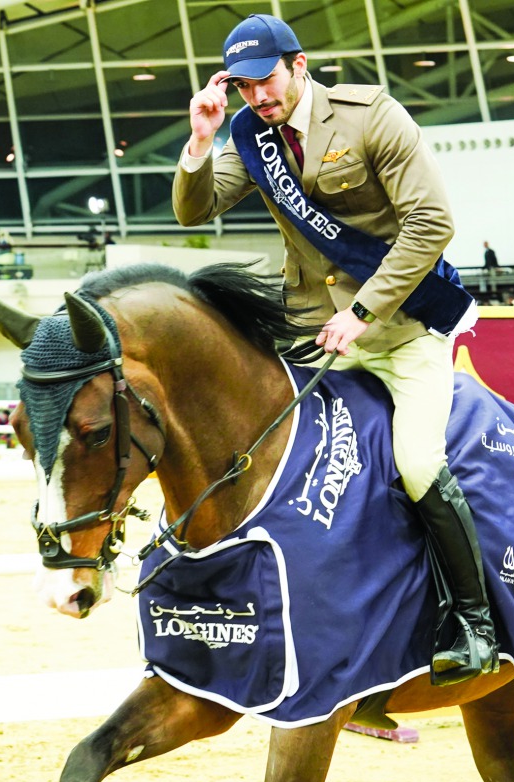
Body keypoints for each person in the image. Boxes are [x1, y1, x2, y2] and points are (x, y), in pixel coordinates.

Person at [173, 13, 494, 685]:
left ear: (300, 64)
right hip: (313, 336)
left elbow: (433, 222)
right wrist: (201, 140)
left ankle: (474, 620)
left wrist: (365, 309)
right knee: (281, 470)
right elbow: (193, 212)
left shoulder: (371, 116)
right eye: (245, 88)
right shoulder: (247, 133)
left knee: (415, 462)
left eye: (267, 82)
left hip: (401, 330)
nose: (259, 99)